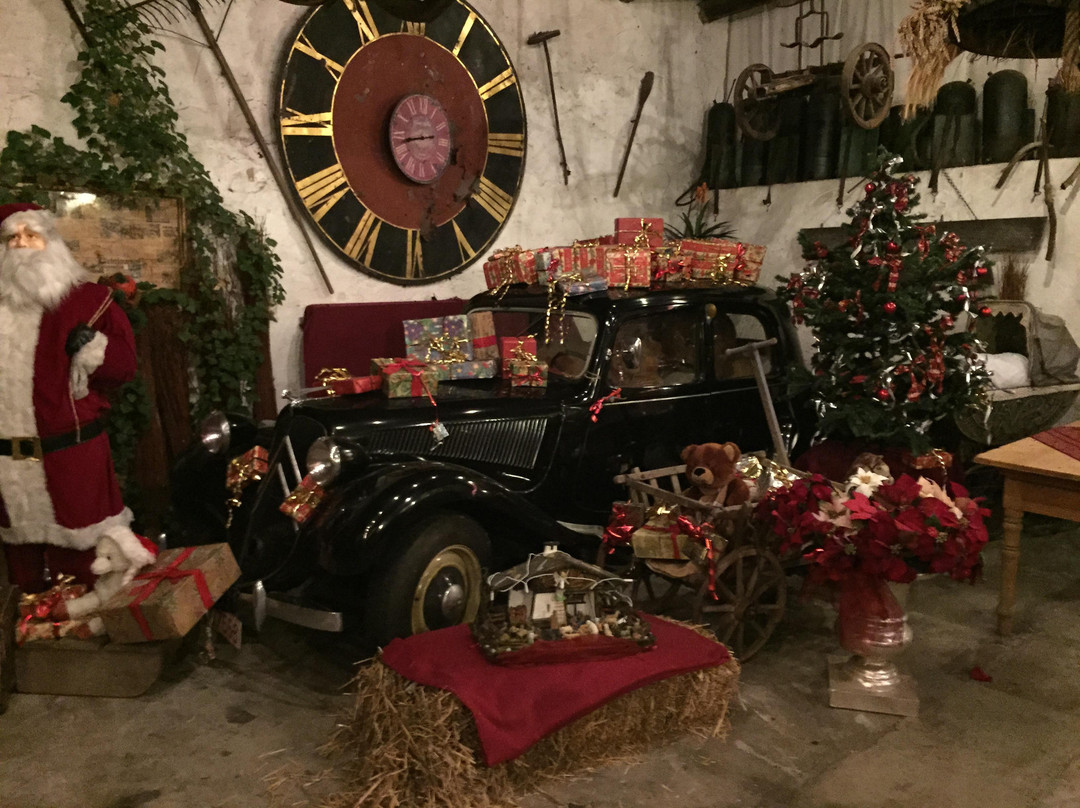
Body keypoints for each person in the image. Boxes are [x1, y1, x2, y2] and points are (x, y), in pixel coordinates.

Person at [0, 202, 147, 594]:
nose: (22, 244)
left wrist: (95, 348)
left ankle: (90, 620)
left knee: (86, 557)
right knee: (23, 561)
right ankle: (31, 619)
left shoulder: (90, 301)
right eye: (12, 237)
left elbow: (124, 368)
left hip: (70, 455)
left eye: (32, 234)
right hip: (7, 464)